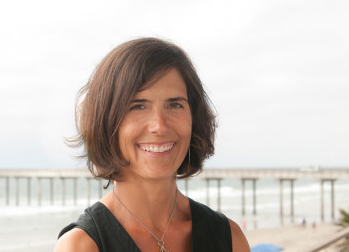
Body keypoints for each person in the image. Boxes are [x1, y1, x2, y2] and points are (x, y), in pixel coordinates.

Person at [54, 38, 250, 251]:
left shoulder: (229, 238)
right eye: (138, 106)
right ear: (107, 120)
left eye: (175, 105)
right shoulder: (81, 246)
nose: (159, 125)